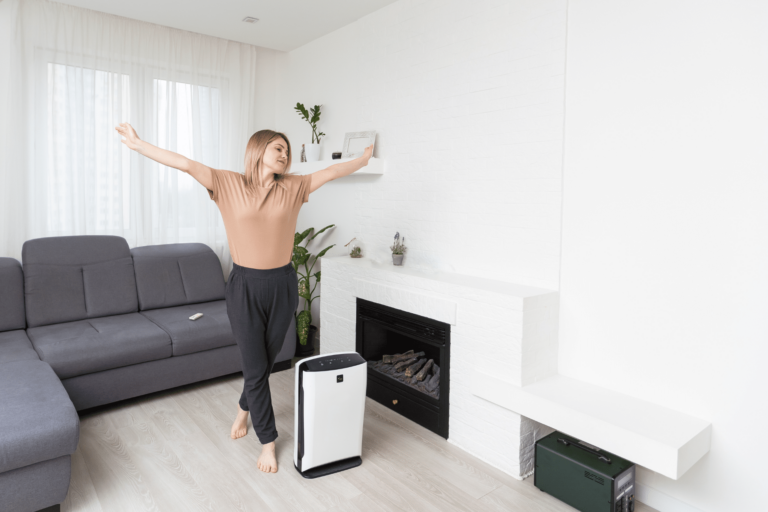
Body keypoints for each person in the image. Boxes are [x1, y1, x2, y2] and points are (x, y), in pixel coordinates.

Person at [115, 122, 373, 473]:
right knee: (255, 365)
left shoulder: (294, 187)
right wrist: (140, 145)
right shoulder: (227, 183)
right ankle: (267, 442)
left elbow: (330, 171)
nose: (284, 154)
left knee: (262, 362)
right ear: (258, 150)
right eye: (277, 148)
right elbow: (187, 164)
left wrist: (362, 159)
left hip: (283, 284)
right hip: (245, 286)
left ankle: (242, 409)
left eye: (287, 150)